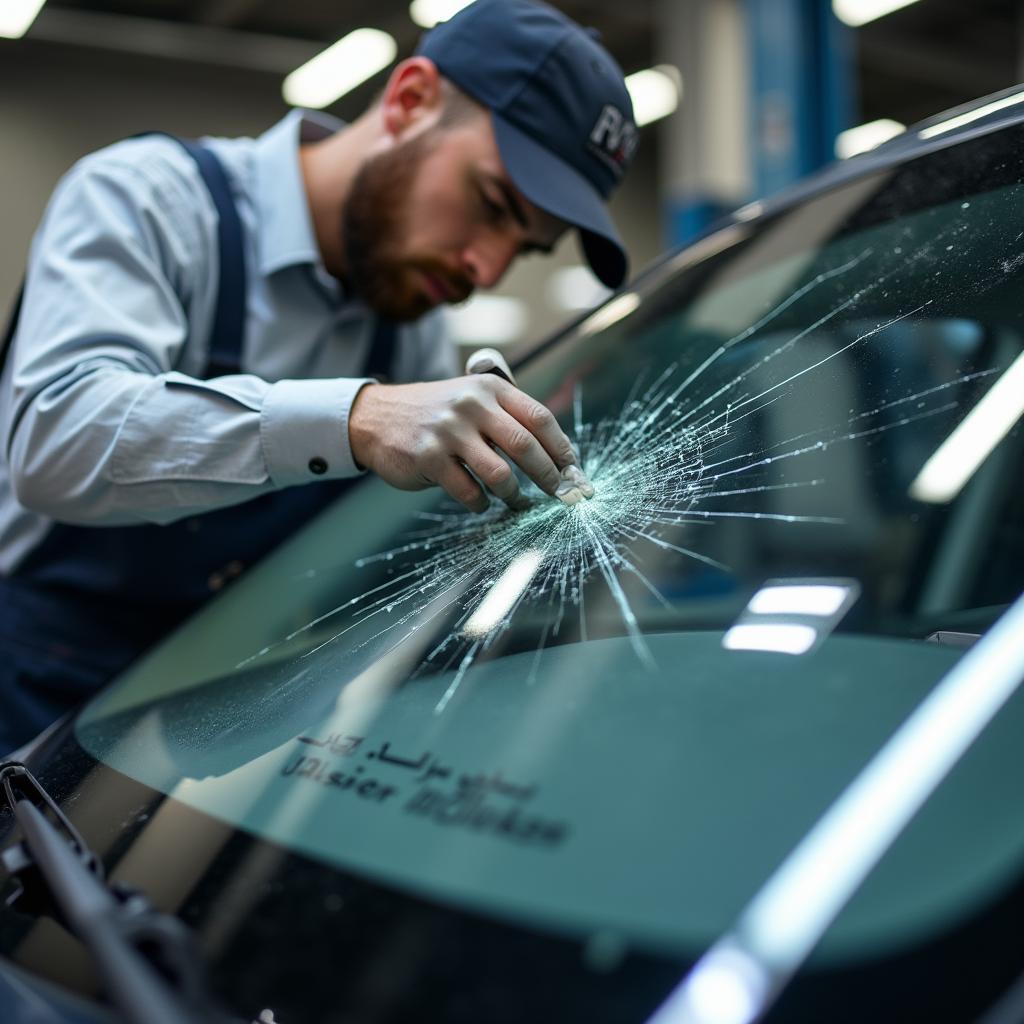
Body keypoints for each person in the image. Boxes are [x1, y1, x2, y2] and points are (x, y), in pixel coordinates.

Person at [0, 0, 638, 751]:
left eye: (526, 249)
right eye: (492, 204)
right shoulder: (150, 199)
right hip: (30, 689)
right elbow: (53, 440)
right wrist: (355, 420)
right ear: (410, 100)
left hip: (215, 718)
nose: (488, 269)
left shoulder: (411, 328)